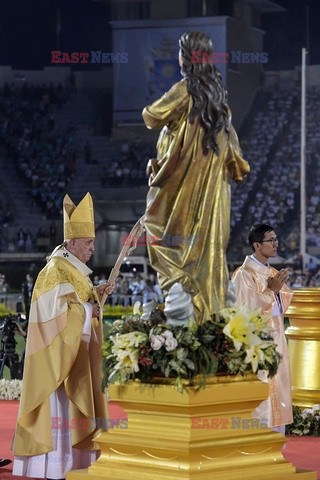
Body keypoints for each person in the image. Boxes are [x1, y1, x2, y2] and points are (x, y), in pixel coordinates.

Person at [142, 30, 249, 324]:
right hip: (215, 191)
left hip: (184, 189)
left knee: (159, 233)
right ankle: (208, 311)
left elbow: (151, 116)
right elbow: (234, 152)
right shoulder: (218, 96)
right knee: (208, 247)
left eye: (180, 51)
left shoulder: (185, 89)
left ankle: (185, 300)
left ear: (187, 57)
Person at [13, 192, 114, 479]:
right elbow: (52, 312)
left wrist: (97, 293)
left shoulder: (76, 271)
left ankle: (76, 465)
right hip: (58, 364)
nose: (93, 248)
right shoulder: (56, 270)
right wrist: (87, 309)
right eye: (88, 243)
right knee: (61, 417)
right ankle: (58, 468)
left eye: (92, 242)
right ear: (72, 243)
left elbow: (79, 304)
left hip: (76, 356)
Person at [231, 223, 293, 433]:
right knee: (262, 393)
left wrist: (275, 292)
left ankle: (276, 443)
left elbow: (284, 303)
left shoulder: (273, 272)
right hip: (256, 345)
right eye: (270, 240)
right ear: (257, 245)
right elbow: (246, 310)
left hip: (276, 340)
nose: (275, 244)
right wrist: (271, 292)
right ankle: (256, 441)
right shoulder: (244, 274)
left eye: (276, 239)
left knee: (279, 389)